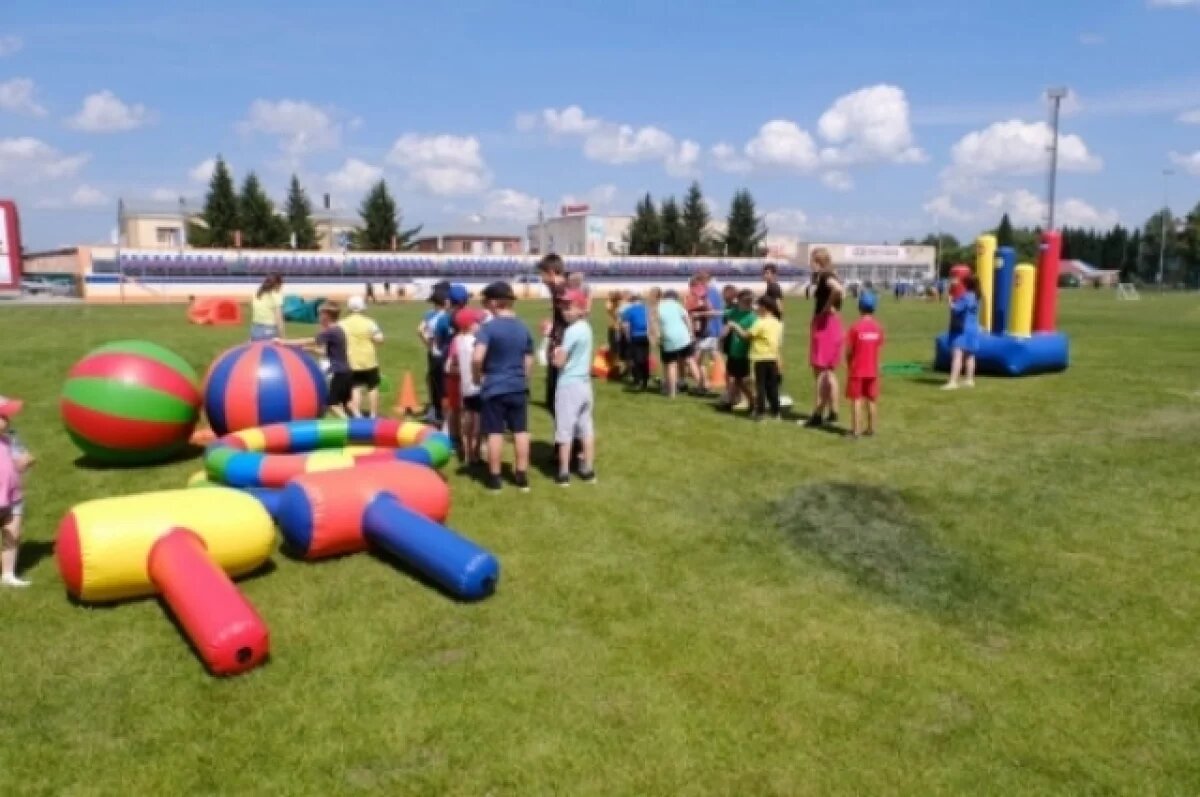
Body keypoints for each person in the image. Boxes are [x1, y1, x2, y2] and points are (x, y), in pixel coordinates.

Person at [473, 281, 534, 493]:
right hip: (517, 385)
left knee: (495, 432)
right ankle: (522, 475)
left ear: (493, 303)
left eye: (484, 301)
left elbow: (477, 356)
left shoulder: (488, 329)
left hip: (495, 386)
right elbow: (528, 358)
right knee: (521, 430)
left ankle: (495, 476)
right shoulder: (523, 327)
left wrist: (477, 375)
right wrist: (524, 379)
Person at [275, 302, 354, 418]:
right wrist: (309, 350)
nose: (318, 318)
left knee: (332, 404)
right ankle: (359, 425)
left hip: (339, 372)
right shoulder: (338, 330)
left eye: (320, 315)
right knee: (343, 403)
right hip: (346, 371)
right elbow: (327, 353)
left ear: (326, 316)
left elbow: (310, 340)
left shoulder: (330, 331)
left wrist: (284, 342)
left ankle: (350, 426)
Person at [551, 289, 597, 486]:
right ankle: (587, 468)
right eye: (563, 307)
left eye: (569, 307)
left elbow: (559, 363)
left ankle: (563, 471)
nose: (564, 311)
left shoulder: (571, 331)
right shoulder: (586, 327)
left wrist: (554, 352)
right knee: (586, 428)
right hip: (584, 384)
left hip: (569, 384)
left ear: (580, 308)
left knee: (565, 430)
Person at [803, 248, 845, 428]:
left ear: (817, 261)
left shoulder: (825, 275)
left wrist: (825, 308)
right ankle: (833, 411)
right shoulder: (832, 273)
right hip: (834, 324)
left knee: (820, 372)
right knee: (829, 372)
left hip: (825, 324)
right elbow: (840, 292)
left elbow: (838, 290)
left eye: (811, 260)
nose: (810, 264)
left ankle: (818, 414)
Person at [729, 296, 784, 421]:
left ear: (764, 307)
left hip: (759, 358)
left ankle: (761, 412)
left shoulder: (760, 323)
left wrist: (735, 326)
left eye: (758, 306)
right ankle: (777, 413)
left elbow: (745, 336)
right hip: (772, 357)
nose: (756, 309)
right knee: (772, 387)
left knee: (759, 386)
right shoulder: (777, 323)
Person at [0, 396, 33, 587]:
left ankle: (8, 574)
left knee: (13, 534)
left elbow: (24, 456)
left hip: (13, 497)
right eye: (3, 416)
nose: (7, 420)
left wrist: (26, 460)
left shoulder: (11, 438)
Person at [449, 307, 486, 468]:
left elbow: (454, 363)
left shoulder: (458, 340)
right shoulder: (476, 341)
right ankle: (476, 452)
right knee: (477, 423)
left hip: (464, 387)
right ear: (471, 324)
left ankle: (466, 454)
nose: (479, 324)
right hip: (478, 386)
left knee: (466, 420)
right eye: (477, 322)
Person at [845, 291, 885, 438]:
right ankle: (871, 429)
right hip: (873, 369)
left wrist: (849, 363)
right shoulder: (878, 328)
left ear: (860, 307)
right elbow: (878, 346)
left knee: (857, 399)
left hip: (857, 369)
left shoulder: (855, 327)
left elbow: (849, 350)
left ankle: (855, 431)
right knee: (872, 399)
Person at [340, 295, 384, 418]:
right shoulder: (370, 322)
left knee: (355, 387)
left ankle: (357, 414)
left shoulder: (342, 324)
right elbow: (380, 339)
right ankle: (373, 414)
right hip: (369, 360)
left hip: (351, 360)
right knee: (373, 387)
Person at [536, 254, 569, 415]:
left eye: (541, 274)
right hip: (560, 345)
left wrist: (555, 332)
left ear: (550, 272)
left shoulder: (560, 291)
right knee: (556, 399)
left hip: (561, 348)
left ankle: (568, 439)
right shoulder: (563, 289)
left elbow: (571, 319)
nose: (541, 279)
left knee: (557, 399)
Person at [657, 289, 703, 397]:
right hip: (683, 336)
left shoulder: (658, 307)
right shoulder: (678, 306)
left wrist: (659, 338)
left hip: (668, 338)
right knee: (690, 360)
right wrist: (691, 335)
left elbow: (655, 325)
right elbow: (687, 320)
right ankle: (701, 387)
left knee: (671, 364)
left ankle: (672, 392)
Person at [418, 281, 451, 424]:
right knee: (445, 385)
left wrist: (429, 346)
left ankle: (436, 411)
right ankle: (444, 414)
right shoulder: (448, 315)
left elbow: (419, 330)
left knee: (435, 383)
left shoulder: (430, 314)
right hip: (446, 354)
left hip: (434, 353)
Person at [720, 289, 757, 411]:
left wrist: (734, 327)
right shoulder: (733, 312)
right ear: (739, 301)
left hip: (743, 353)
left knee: (741, 380)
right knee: (732, 377)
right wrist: (723, 335)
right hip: (732, 351)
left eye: (749, 302)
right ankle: (730, 401)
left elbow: (748, 336)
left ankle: (752, 401)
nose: (748, 304)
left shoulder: (752, 318)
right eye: (745, 301)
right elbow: (724, 318)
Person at [944, 274, 982, 390]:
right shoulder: (976, 296)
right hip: (973, 328)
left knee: (957, 355)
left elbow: (956, 309)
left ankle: (953, 381)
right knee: (970, 355)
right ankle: (969, 380)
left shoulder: (966, 297)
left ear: (966, 284)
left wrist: (950, 299)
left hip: (962, 329)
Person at [621, 293, 652, 391]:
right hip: (646, 336)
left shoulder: (628, 311)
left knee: (635, 359)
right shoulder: (647, 309)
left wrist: (627, 337)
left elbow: (626, 326)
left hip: (635, 335)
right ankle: (645, 380)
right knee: (645, 358)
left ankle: (637, 380)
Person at [250, 273, 285, 341]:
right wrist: (283, 338)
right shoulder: (276, 295)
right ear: (277, 284)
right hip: (269, 330)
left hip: (255, 329)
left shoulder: (257, 293)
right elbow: (279, 319)